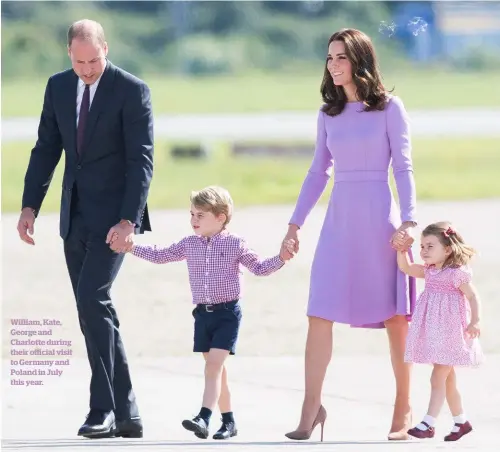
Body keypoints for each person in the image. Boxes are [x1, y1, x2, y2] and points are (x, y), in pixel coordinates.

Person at [16, 19, 153, 439]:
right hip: (73, 217)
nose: (88, 69)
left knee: (93, 300)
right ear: (69, 55)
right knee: (91, 311)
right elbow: (46, 149)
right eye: (80, 62)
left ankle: (103, 410)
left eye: (94, 60)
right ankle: (127, 411)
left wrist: (129, 220)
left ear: (106, 49)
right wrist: (29, 206)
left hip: (114, 221)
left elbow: (141, 162)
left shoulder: (132, 90)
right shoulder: (58, 87)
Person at [280, 28, 417, 441]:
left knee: (395, 317)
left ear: (359, 60)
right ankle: (311, 407)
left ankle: (403, 406)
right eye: (328, 58)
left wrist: (410, 220)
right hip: (339, 224)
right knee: (319, 311)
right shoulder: (328, 112)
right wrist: (293, 225)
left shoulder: (391, 108)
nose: (333, 65)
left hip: (380, 221)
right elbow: (317, 171)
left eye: (340, 57)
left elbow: (403, 168)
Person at [122, 186, 292, 440]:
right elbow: (161, 255)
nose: (193, 221)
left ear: (221, 217)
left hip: (227, 315)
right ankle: (229, 422)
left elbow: (259, 268)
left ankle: (203, 417)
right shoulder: (189, 244)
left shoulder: (236, 244)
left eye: (200, 216)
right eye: (191, 214)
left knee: (213, 367)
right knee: (217, 371)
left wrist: (281, 257)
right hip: (203, 315)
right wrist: (131, 248)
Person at [395, 221, 484, 441]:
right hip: (435, 331)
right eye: (422, 246)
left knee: (438, 376)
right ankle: (461, 421)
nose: (424, 251)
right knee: (447, 378)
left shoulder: (457, 273)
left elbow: (473, 297)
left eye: (430, 246)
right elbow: (406, 268)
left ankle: (428, 423)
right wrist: (402, 250)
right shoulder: (431, 271)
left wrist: (475, 321)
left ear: (447, 249)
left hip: (451, 331)